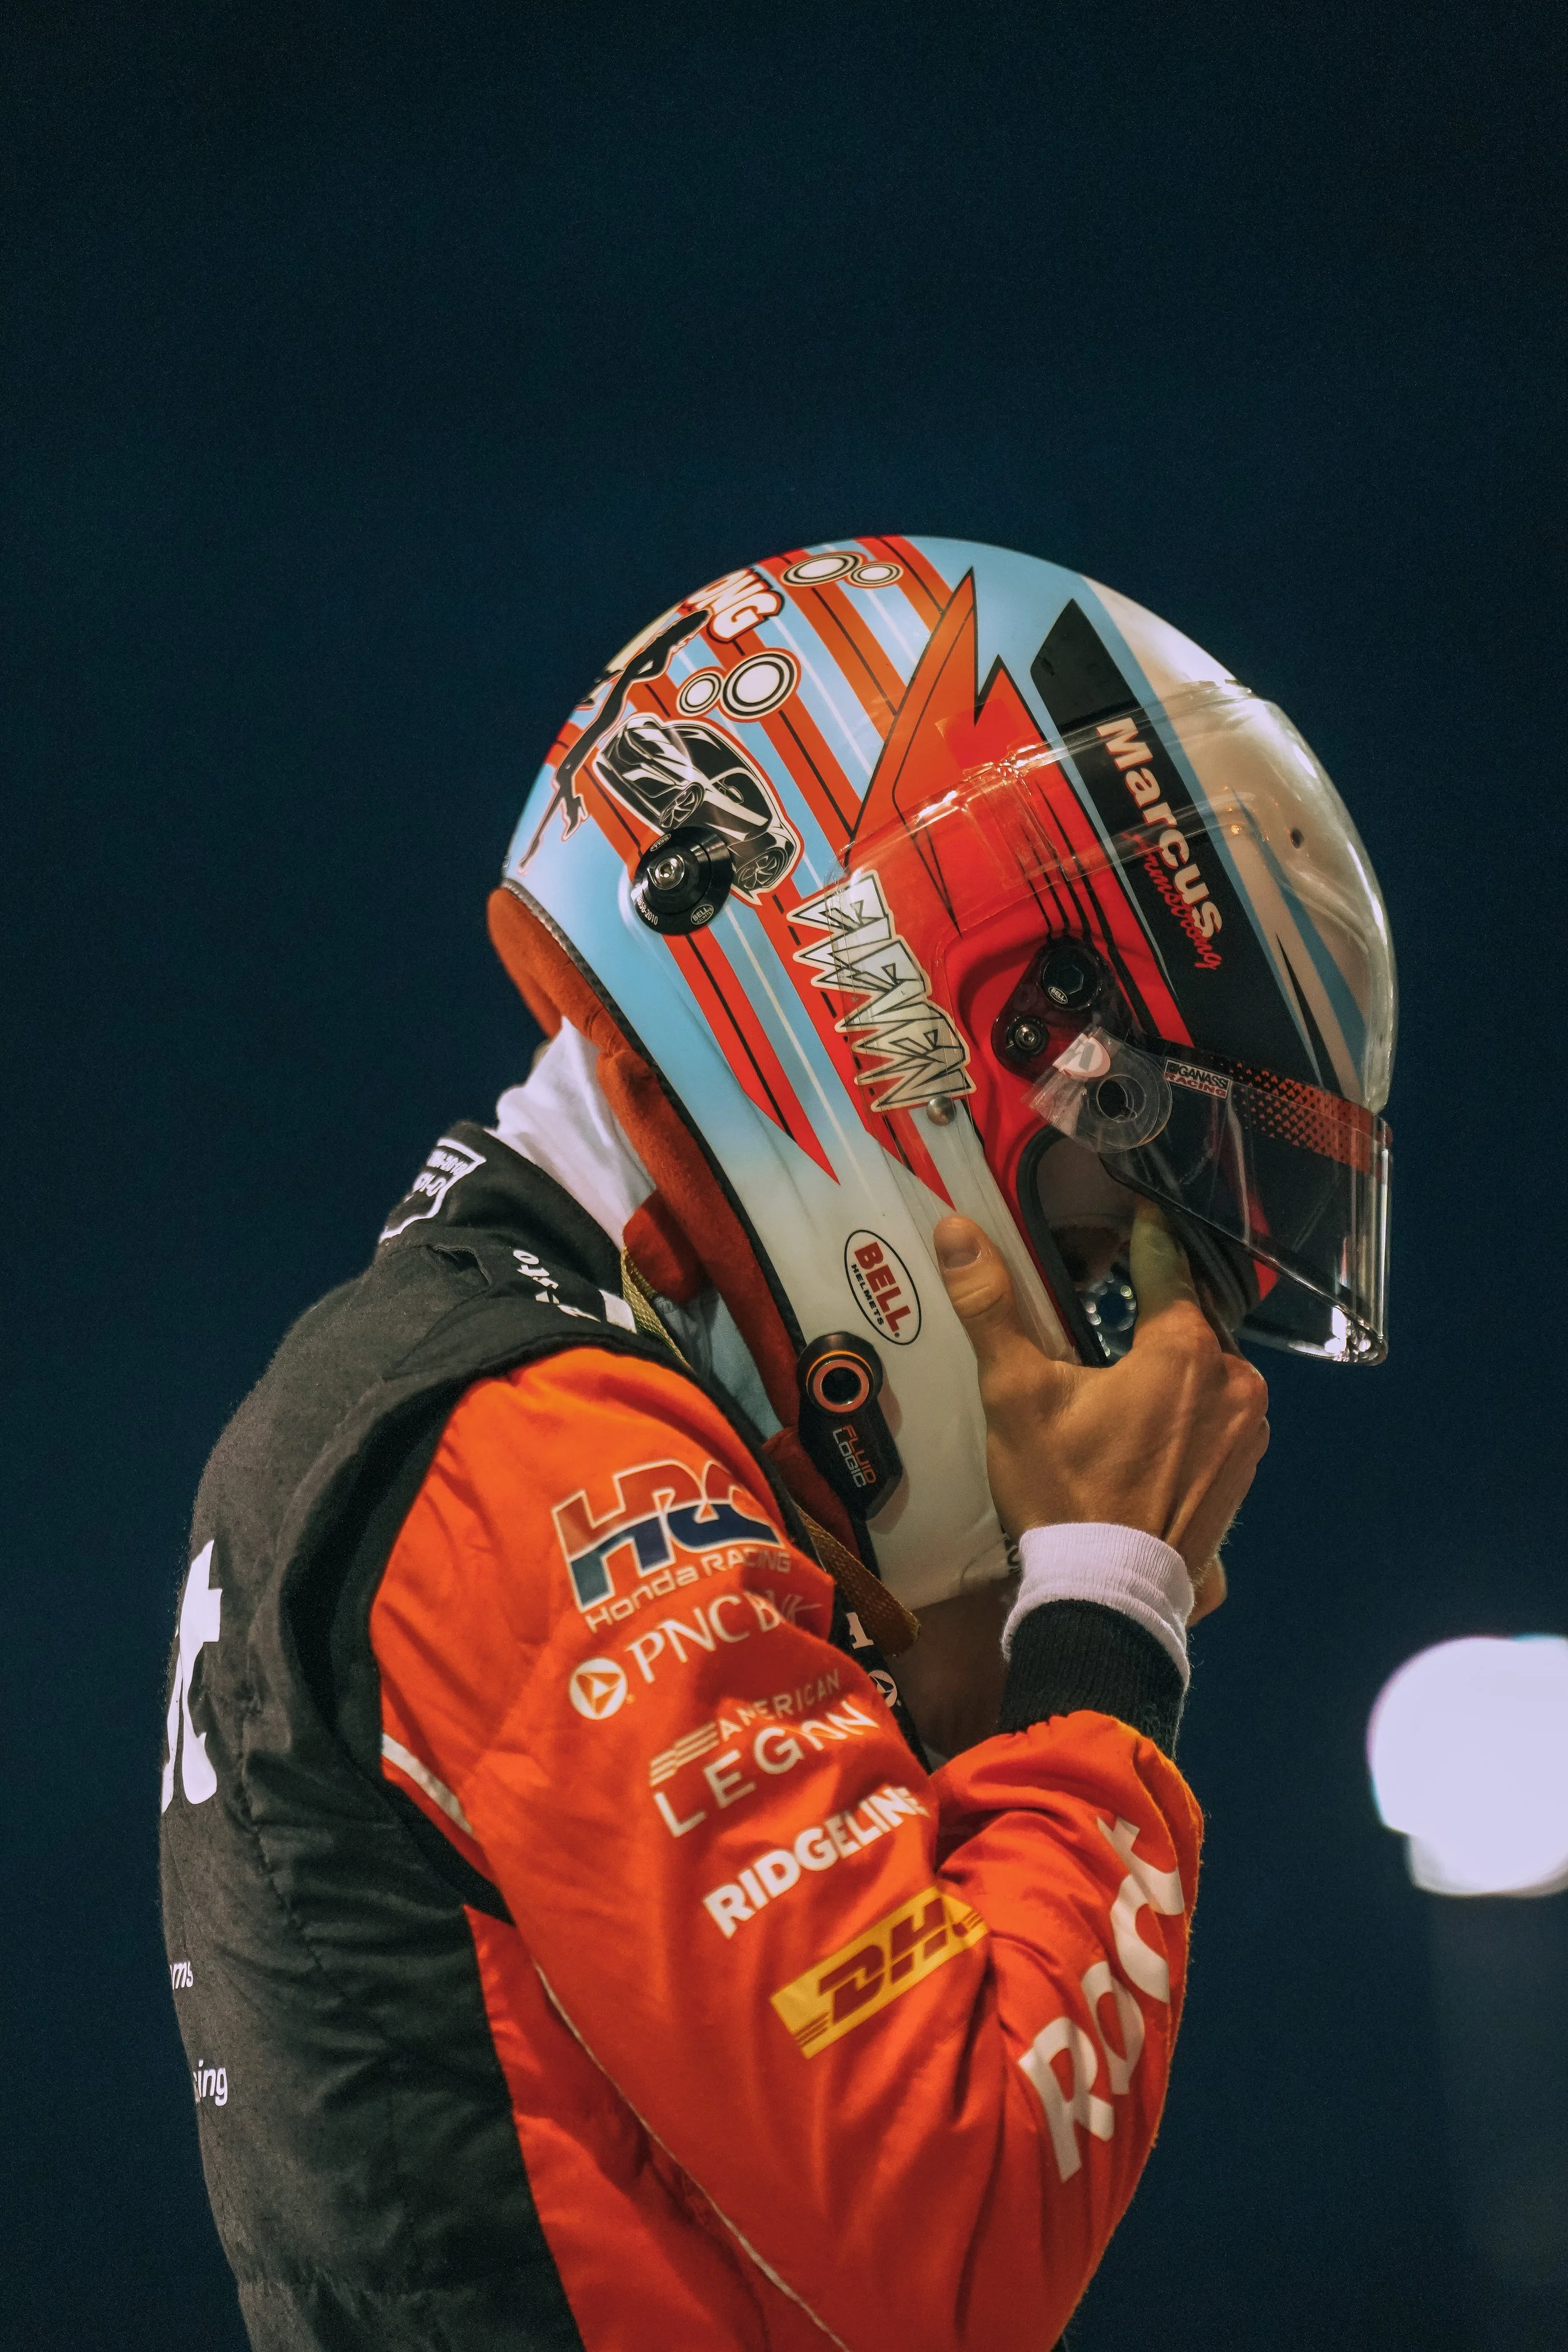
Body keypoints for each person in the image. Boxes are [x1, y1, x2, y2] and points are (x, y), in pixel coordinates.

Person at [160, 538, 1394, 2351]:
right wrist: (1101, 1614)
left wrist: (985, 1677)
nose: (1119, 1342)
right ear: (892, 1012)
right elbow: (958, 2209)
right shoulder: (534, 1444)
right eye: (1114, 1230)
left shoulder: (517, 1389)